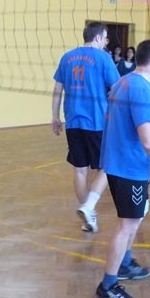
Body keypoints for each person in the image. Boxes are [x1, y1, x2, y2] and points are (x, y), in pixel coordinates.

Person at [95, 39, 150, 298]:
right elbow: (149, 142)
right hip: (129, 168)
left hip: (117, 164)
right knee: (127, 226)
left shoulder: (123, 82)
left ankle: (124, 263)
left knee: (134, 218)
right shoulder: (143, 90)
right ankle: (108, 286)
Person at [52, 22, 120, 232]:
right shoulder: (103, 58)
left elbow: (57, 90)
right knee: (107, 167)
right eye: (105, 38)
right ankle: (89, 206)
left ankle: (88, 218)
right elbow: (117, 89)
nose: (106, 42)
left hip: (73, 121)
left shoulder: (67, 57)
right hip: (97, 122)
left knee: (80, 171)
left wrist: (55, 117)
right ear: (98, 37)